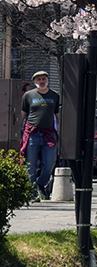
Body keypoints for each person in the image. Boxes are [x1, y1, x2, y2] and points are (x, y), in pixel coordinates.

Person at [20, 70, 60, 201]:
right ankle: (31, 192)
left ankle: (41, 183)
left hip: (49, 134)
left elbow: (57, 115)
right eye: (39, 79)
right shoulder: (28, 95)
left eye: (44, 79)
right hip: (32, 133)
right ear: (34, 82)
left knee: (50, 162)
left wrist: (61, 131)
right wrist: (19, 132)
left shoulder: (54, 95)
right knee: (30, 164)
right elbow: (23, 114)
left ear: (47, 80)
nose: (41, 81)